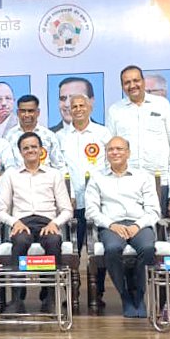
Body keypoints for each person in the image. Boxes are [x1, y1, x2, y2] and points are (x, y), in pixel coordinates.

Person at [0, 132, 73, 314]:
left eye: (34, 147)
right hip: (22, 222)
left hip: (47, 222)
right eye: (26, 148)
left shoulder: (54, 174)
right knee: (20, 241)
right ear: (20, 152)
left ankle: (50, 297)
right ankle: (16, 298)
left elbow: (67, 209)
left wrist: (55, 223)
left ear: (41, 150)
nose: (30, 150)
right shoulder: (11, 175)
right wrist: (14, 222)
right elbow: (0, 211)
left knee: (54, 241)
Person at [85, 136, 160, 318]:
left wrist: (137, 225)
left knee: (148, 248)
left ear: (128, 153)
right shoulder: (97, 177)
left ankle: (139, 295)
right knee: (112, 249)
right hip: (111, 225)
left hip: (139, 224)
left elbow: (154, 211)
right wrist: (111, 224)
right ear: (106, 154)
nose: (115, 152)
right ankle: (124, 295)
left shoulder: (143, 177)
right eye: (111, 149)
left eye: (119, 149)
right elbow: (91, 211)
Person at [106, 65, 170, 216]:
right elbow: (110, 151)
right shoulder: (115, 110)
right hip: (128, 183)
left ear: (143, 82)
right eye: (127, 82)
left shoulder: (162, 104)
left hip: (159, 182)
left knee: (161, 227)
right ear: (122, 86)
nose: (132, 85)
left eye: (136, 80)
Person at [57, 94, 112, 251]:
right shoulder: (60, 136)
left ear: (90, 108)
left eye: (82, 106)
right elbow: (59, 167)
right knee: (74, 243)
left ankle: (98, 269)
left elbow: (110, 163)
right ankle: (75, 268)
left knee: (99, 245)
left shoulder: (103, 133)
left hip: (100, 196)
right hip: (73, 198)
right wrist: (69, 194)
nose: (78, 109)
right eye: (74, 106)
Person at [4, 95, 67, 170]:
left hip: (45, 177)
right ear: (18, 113)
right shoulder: (9, 136)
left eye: (30, 111)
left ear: (38, 112)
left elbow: (59, 166)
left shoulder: (49, 136)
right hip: (17, 177)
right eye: (23, 111)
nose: (27, 115)